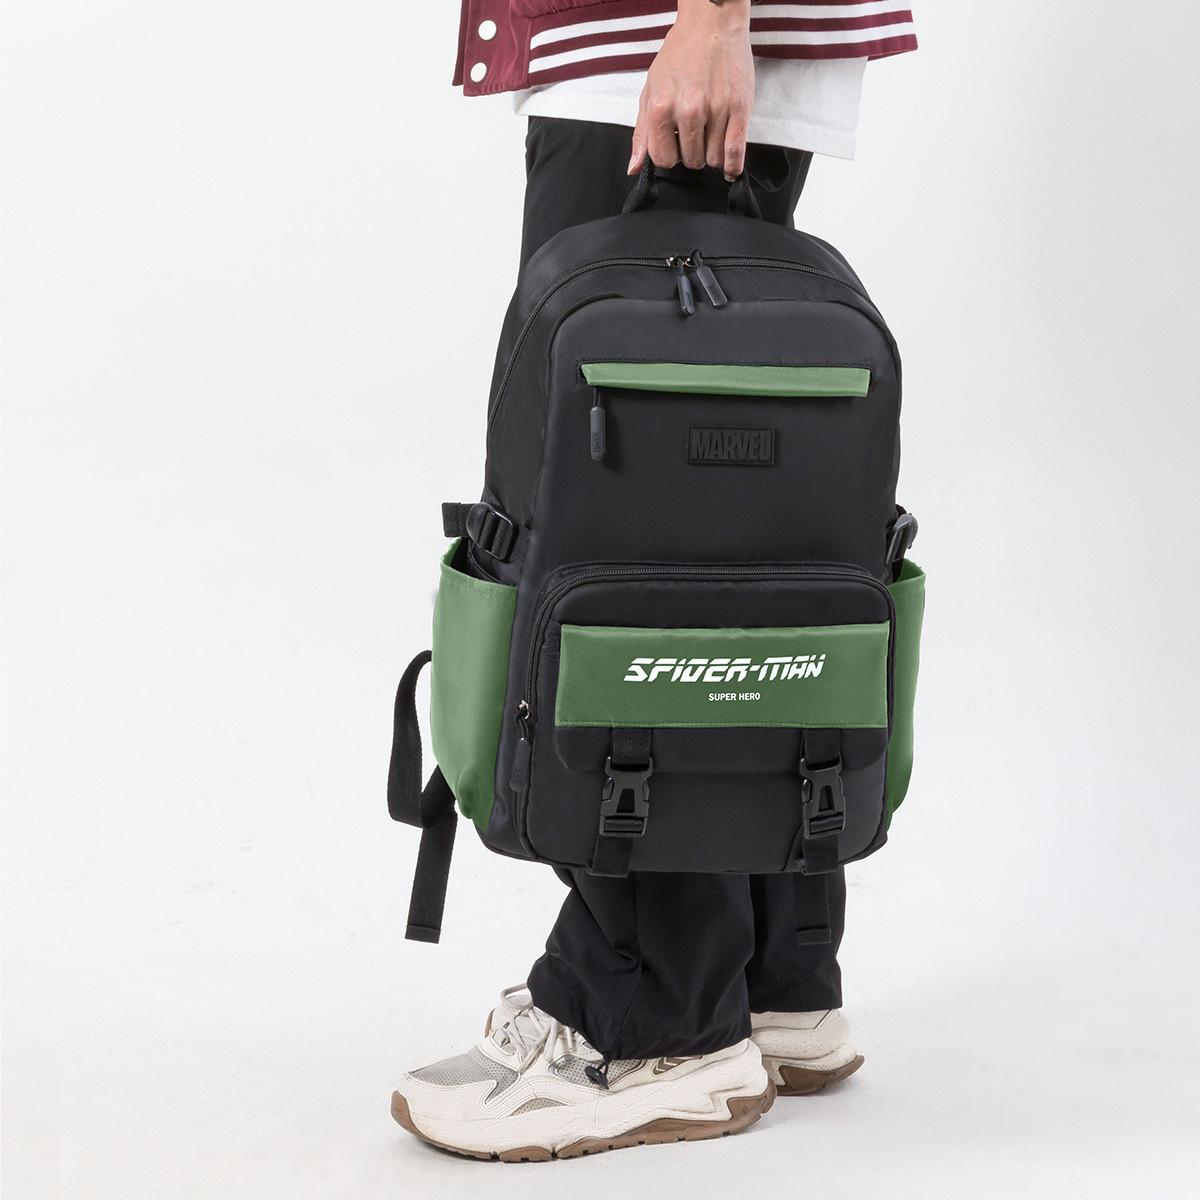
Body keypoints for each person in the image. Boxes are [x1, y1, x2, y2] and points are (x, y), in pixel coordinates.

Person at [391, 0, 917, 1162]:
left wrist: (711, 19)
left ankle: (652, 1016)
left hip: (652, 48)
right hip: (666, 47)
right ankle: (773, 976)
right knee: (719, 513)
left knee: (621, 536)